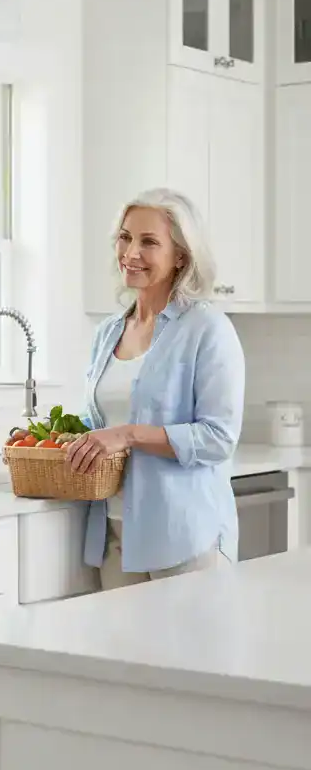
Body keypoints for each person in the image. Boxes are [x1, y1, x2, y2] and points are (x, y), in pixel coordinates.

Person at [67, 188, 245, 590]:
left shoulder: (207, 329)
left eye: (149, 242)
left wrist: (128, 435)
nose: (131, 252)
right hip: (113, 531)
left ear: (181, 255)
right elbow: (99, 422)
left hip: (183, 535)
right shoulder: (109, 331)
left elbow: (219, 438)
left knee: (187, 654)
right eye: (125, 237)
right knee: (122, 654)